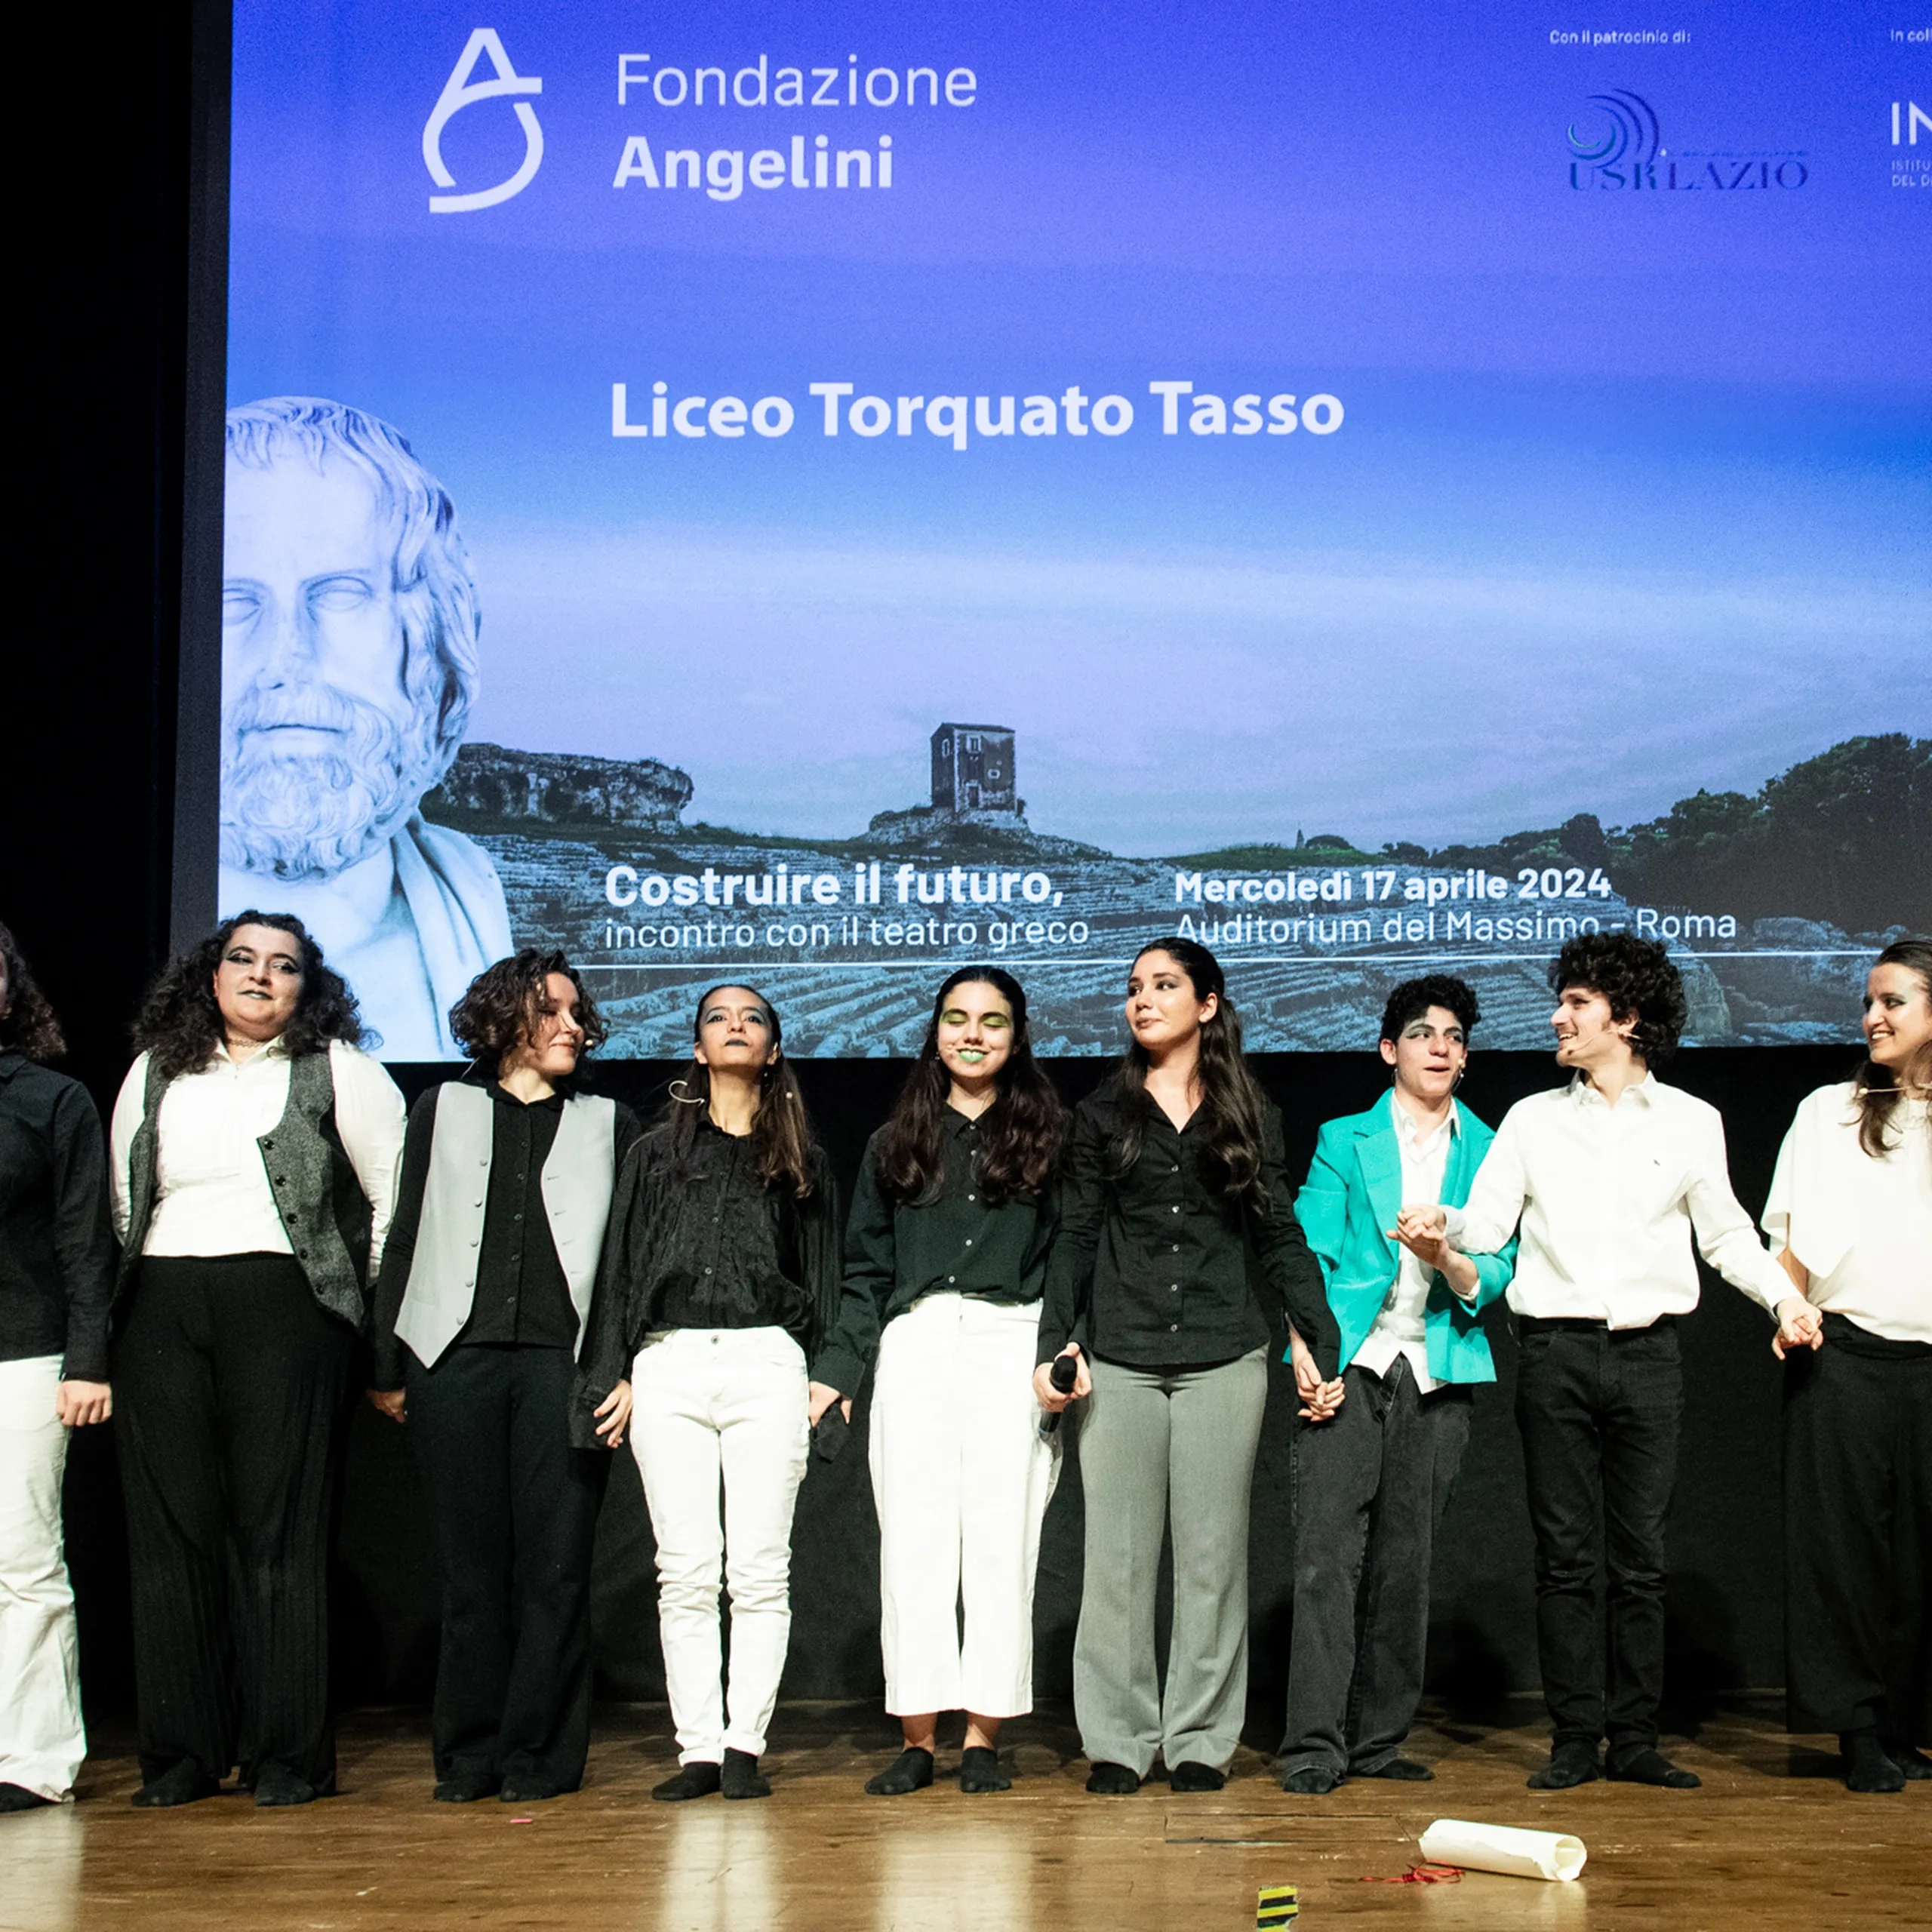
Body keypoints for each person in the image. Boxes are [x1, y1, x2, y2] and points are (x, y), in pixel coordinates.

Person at [1404, 932, 1818, 1792]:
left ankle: (1633, 1736)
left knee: (1640, 1559)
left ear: (1625, 1018)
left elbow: (1726, 1235)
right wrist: (1442, 1226)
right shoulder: (1532, 1118)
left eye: (1577, 1004)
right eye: (1562, 1001)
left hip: (1649, 1357)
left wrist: (1784, 1299)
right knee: (1562, 1557)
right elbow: (1488, 1224)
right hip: (1554, 1355)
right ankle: (1572, 1736)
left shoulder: (1691, 1121)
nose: (1557, 1016)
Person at [109, 913, 406, 1806]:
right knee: (172, 1533)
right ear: (209, 976)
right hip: (163, 1300)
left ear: (306, 988)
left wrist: (368, 1322)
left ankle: (286, 1756)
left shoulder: (341, 1069)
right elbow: (127, 1200)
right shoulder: (158, 1067)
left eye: (284, 966)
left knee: (280, 1534)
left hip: (288, 1306)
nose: (260, 976)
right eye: (243, 959)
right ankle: (182, 1753)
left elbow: (392, 1199)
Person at [1035, 940, 1342, 1794]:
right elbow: (1076, 1235)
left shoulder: (1247, 1109)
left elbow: (1277, 1231)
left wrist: (1311, 1332)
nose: (1143, 1000)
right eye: (1133, 988)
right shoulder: (1100, 1115)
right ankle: (1120, 1741)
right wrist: (1056, 1340)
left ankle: (1201, 1738)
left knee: (1211, 1556)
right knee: (1118, 1558)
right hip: (1123, 1355)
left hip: (1223, 1353)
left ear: (1207, 1003)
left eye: (1163, 986)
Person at [368, 951, 641, 1802]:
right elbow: (406, 1234)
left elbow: (629, 1263)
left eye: (575, 1013)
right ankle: (470, 1752)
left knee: (556, 1568)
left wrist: (620, 1368)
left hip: (565, 1368)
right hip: (454, 1360)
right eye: (550, 1010)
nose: (571, 1025)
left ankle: (539, 1755)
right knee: (471, 1571)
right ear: (502, 1020)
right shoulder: (441, 1106)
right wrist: (387, 1362)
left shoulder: (609, 1120)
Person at [576, 986, 841, 1801]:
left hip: (767, 1359)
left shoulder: (802, 1157)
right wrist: (612, 1370)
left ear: (772, 1050)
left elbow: (825, 1276)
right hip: (672, 1362)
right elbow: (618, 1266)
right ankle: (695, 1745)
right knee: (685, 1570)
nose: (735, 1025)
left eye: (753, 1018)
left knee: (759, 1571)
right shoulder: (653, 1154)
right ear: (697, 1047)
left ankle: (743, 1747)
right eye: (719, 1017)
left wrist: (827, 1378)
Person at [815, 968, 1067, 1797]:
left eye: (992, 1022)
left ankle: (984, 1735)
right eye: (956, 1018)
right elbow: (863, 1271)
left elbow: (1072, 1259)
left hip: (1011, 1342)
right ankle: (918, 1735)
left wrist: (1067, 1350)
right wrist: (839, 1373)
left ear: (1016, 1036)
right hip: (916, 1343)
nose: (973, 1034)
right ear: (934, 1031)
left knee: (1001, 1547)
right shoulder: (894, 1141)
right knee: (915, 1547)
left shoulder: (1052, 1137)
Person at [1278, 975, 1516, 1794]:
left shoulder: (1490, 1149)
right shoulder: (1345, 1138)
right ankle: (1312, 1744)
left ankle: (1377, 1741)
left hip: (1440, 1367)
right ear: (1390, 1049)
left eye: (1453, 1034)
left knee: (1405, 1564)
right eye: (1421, 1032)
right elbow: (1303, 1253)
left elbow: (1499, 1267)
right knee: (1324, 1561)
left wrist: (1444, 1256)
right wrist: (1305, 1352)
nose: (1440, 1045)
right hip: (1351, 1362)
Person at [220, 397, 512, 1058]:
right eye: (237, 601)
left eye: (340, 594)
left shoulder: (472, 891)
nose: (286, 655)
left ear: (429, 635)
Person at [1761, 937, 1931, 1793]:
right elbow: (1788, 1237)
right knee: (1844, 1553)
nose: (1871, 1016)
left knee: (1919, 1557)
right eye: (1868, 1002)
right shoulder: (1826, 1110)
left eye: (1892, 1001)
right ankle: (1858, 1729)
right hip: (1846, 1353)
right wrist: (1784, 1316)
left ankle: (1907, 1722)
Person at [0, 924, 113, 1812]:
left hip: (26, 1353)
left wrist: (87, 1360)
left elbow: (85, 1244)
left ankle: (31, 1760)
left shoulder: (51, 1099)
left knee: (23, 1562)